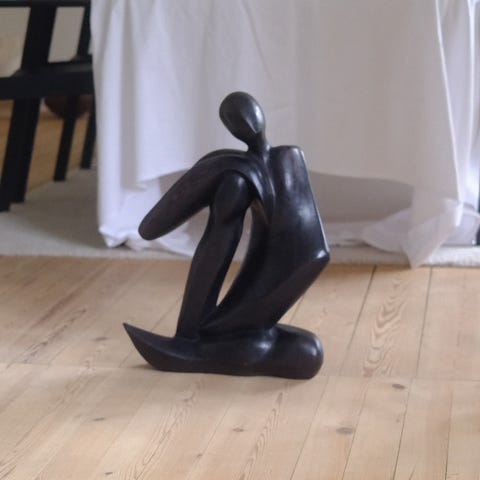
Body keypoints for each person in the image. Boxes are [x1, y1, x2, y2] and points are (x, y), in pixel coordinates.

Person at [125, 92, 329, 378]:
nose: (247, 123)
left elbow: (153, 225)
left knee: (307, 353)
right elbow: (154, 225)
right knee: (305, 352)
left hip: (293, 266)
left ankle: (193, 336)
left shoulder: (266, 162)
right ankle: (194, 336)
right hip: (298, 263)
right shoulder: (277, 159)